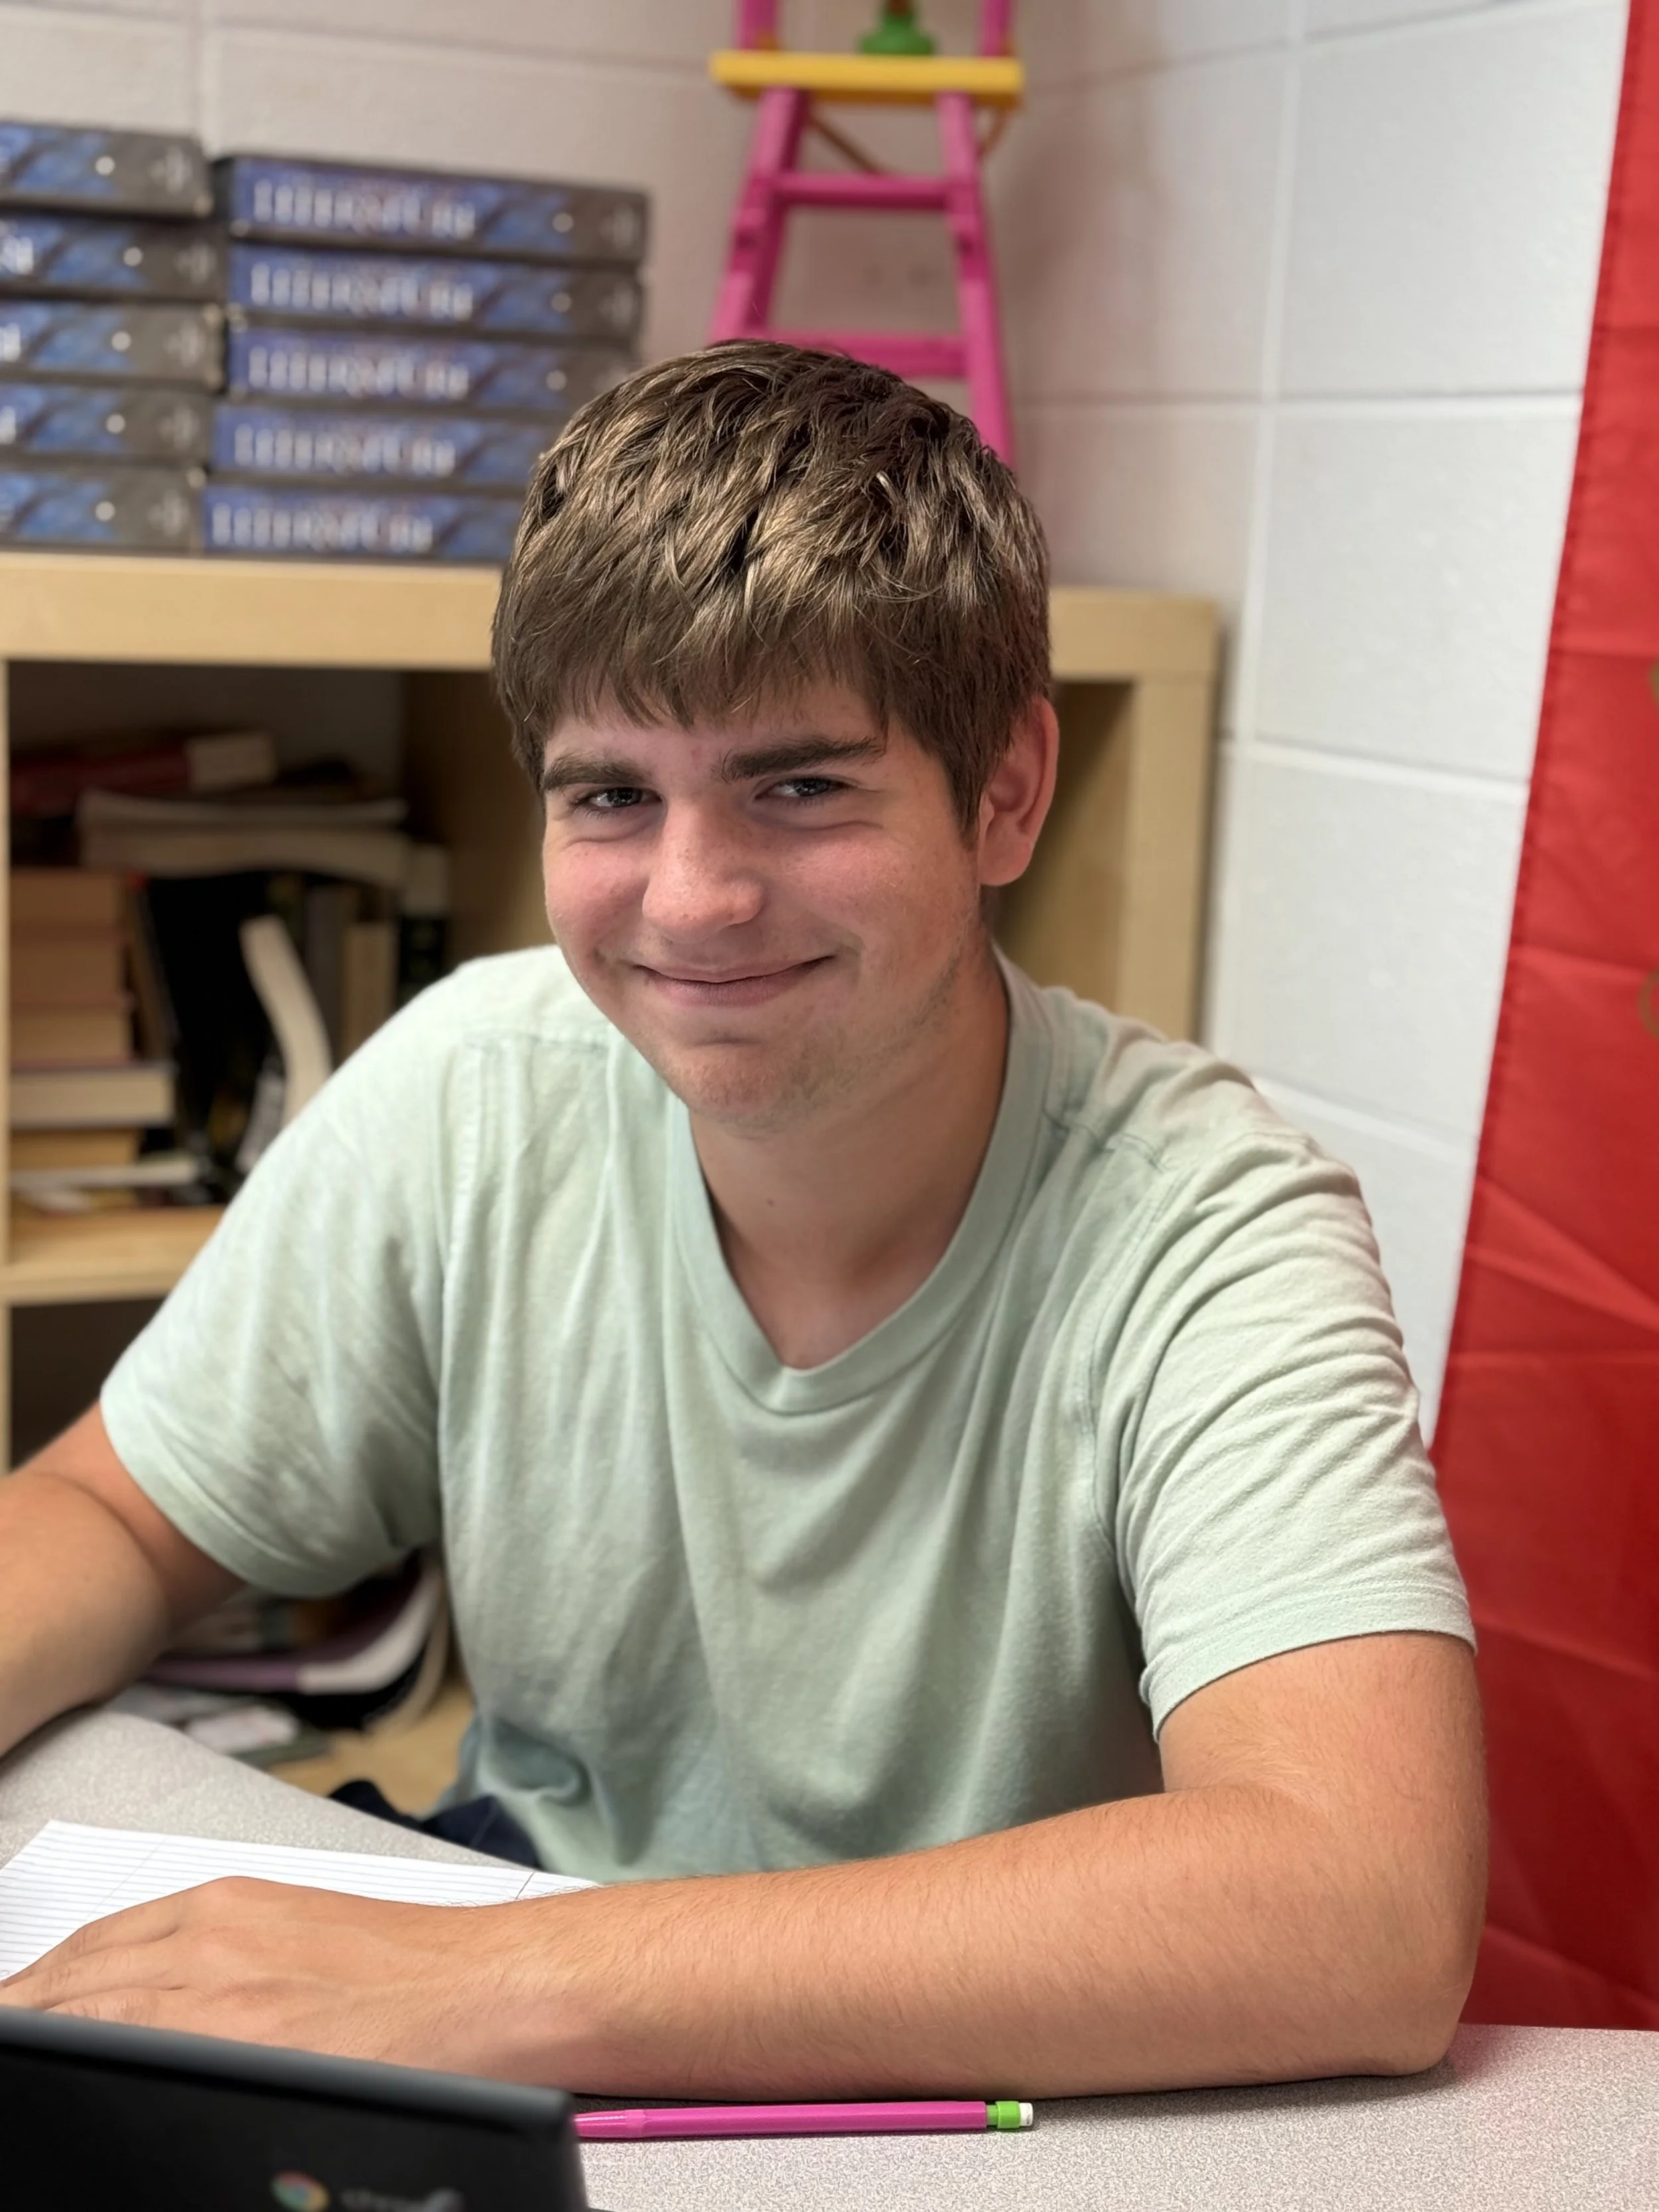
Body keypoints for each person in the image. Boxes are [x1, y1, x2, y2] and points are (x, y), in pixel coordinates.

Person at [0, 342, 1484, 2097]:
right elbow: (113, 1507)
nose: (690, 899)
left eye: (799, 786)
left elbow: (1359, 1905)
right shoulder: (476, 1081)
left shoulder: (1210, 1226)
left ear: (1005, 791)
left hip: (971, 2079)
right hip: (518, 1966)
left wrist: (503, 1974)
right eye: (610, 794)